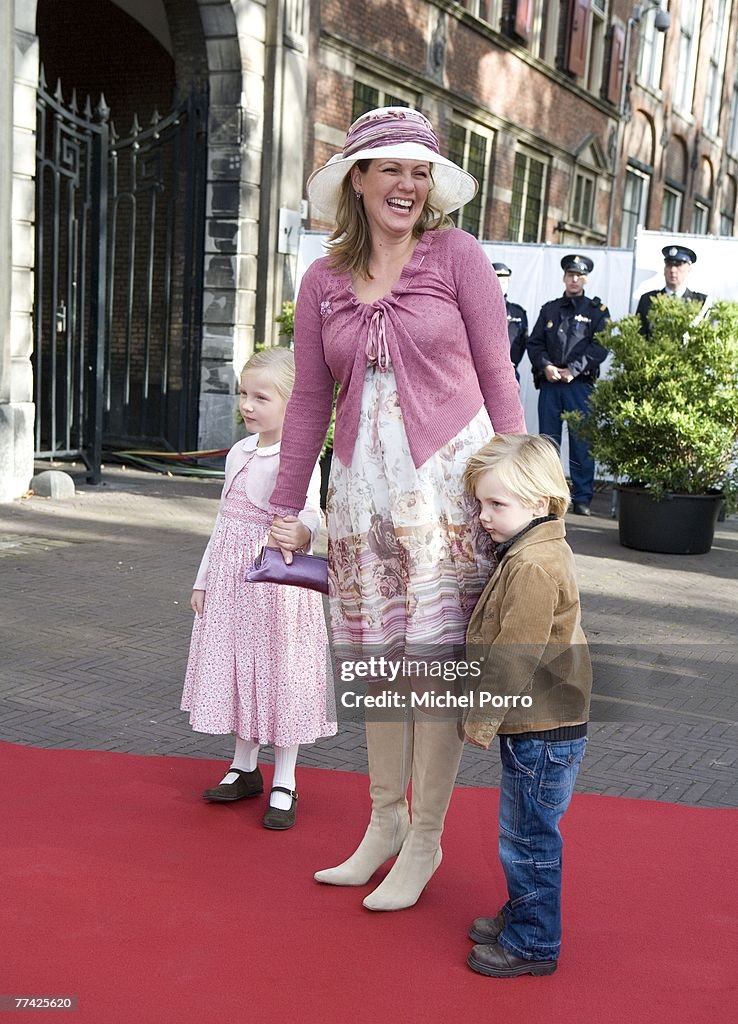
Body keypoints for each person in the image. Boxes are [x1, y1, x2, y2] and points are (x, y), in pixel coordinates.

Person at [269, 106, 526, 910]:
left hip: (447, 493)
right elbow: (310, 399)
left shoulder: (457, 256)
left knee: (433, 673)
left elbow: (499, 376)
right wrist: (291, 506)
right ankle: (383, 822)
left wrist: (524, 492)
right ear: (357, 179)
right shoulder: (323, 277)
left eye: (420, 172)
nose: (408, 185)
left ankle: (425, 839)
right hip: (362, 497)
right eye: (391, 169)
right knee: (383, 668)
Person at [181, 349, 336, 831]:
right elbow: (223, 522)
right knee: (238, 665)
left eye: (261, 397)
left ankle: (285, 778)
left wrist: (306, 533)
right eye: (244, 394)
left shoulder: (297, 457)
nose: (247, 405)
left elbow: (309, 511)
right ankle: (244, 765)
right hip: (232, 582)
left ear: (293, 404)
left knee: (279, 672)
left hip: (276, 583)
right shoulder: (238, 452)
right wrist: (203, 579)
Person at [461, 433, 591, 978]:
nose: (484, 516)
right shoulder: (532, 548)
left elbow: (516, 655)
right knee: (525, 831)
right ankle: (524, 912)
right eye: (481, 503)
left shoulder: (533, 566)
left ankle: (534, 943)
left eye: (497, 504)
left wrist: (479, 721)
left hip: (541, 728)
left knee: (529, 837)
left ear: (539, 503)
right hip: (540, 721)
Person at [526, 254, 609, 517]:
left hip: (579, 386)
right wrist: (546, 366)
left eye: (579, 275)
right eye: (570, 274)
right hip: (551, 385)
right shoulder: (550, 309)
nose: (574, 279)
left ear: (585, 279)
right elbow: (534, 343)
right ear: (564, 277)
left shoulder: (596, 311)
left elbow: (600, 347)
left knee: (581, 443)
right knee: (547, 445)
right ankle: (548, 498)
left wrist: (573, 370)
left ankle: (583, 498)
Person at [635, 244, 707, 337]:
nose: (673, 270)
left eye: (678, 265)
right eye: (669, 265)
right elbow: (638, 335)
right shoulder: (648, 300)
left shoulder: (700, 303)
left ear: (689, 269)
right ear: (664, 269)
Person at [493, 262, 528, 381]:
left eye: (503, 282)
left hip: (509, 374)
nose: (500, 285)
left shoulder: (518, 313)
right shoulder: (474, 310)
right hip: (480, 376)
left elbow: (523, 343)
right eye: (496, 280)